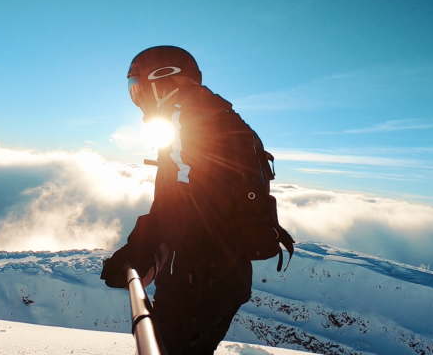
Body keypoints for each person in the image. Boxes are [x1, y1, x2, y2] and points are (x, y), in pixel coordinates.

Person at [101, 46, 292, 355]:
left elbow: (182, 204)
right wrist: (146, 248)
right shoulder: (215, 115)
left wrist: (141, 247)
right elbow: (192, 198)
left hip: (198, 282)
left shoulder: (187, 119)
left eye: (138, 88)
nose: (137, 99)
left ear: (163, 80)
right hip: (220, 277)